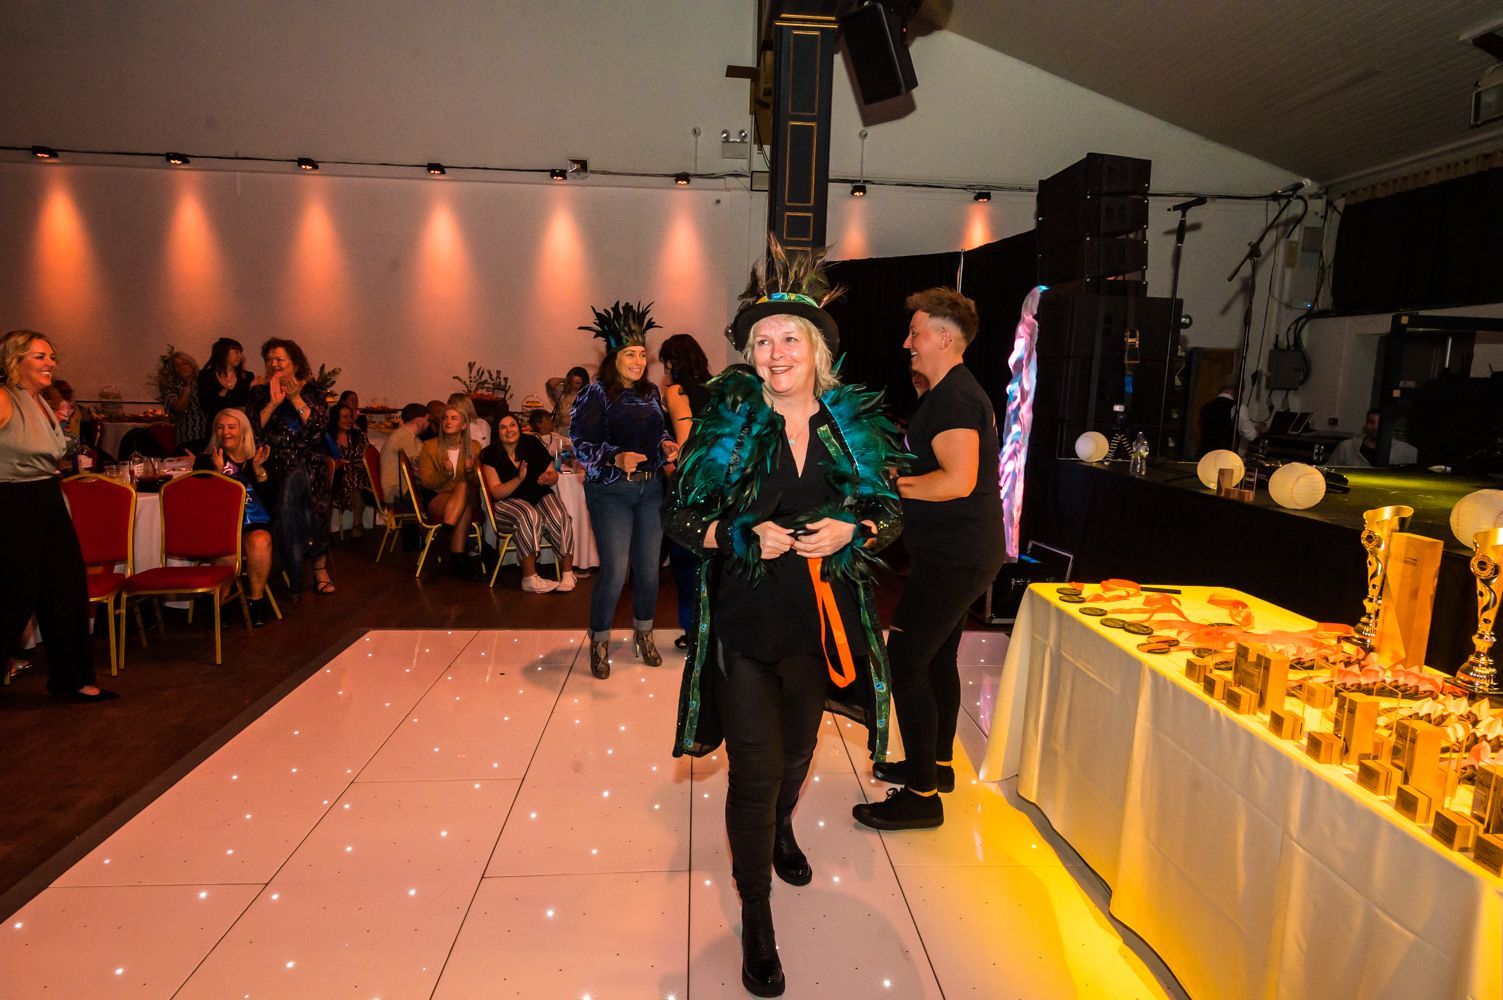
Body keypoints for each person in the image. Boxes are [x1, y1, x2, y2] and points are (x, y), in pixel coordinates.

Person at [665, 243, 902, 998]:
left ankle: (782, 827)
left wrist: (855, 530)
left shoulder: (846, 425)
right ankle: (758, 919)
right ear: (749, 354)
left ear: (817, 349)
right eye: (762, 341)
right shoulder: (729, 425)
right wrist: (736, 532)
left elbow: (888, 512)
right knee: (753, 773)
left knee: (797, 755)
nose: (775, 353)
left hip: (818, 630)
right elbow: (681, 519)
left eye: (789, 338)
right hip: (744, 627)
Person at [852, 287, 1007, 833]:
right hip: (961, 553)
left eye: (915, 333)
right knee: (937, 659)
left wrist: (892, 484)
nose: (907, 343)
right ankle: (936, 768)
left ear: (944, 337)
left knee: (906, 662)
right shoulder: (950, 394)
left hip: (955, 557)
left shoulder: (955, 399)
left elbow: (958, 481)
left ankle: (921, 797)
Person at [0, 330, 117, 702]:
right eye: (40, 356)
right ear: (15, 360)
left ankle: (73, 679)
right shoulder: (4, 398)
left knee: (66, 591)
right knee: (13, 597)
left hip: (48, 498)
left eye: (51, 356)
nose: (50, 363)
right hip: (14, 502)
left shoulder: (40, 401)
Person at [571, 302, 678, 679]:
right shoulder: (596, 394)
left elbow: (659, 431)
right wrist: (614, 457)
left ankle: (643, 635)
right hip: (611, 492)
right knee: (615, 571)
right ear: (614, 357)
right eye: (630, 354)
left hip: (651, 490)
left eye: (642, 354)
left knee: (649, 571)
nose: (638, 361)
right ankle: (599, 641)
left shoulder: (650, 393)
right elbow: (580, 443)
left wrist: (666, 444)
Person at [248, 337, 335, 595]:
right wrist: (273, 404)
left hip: (308, 465)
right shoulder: (259, 392)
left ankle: (319, 571)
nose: (274, 364)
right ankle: (280, 571)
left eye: (279, 359)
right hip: (270, 465)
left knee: (314, 515)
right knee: (278, 512)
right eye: (269, 360)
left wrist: (295, 398)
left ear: (295, 363)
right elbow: (251, 431)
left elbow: (318, 429)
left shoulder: (313, 391)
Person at [195, 408, 276, 626]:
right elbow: (203, 501)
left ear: (243, 431)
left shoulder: (257, 458)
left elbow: (270, 502)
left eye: (231, 427)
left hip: (251, 524)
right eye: (220, 428)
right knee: (229, 549)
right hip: (220, 526)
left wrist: (259, 470)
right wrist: (218, 473)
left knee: (261, 541)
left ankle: (256, 602)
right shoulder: (206, 460)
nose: (226, 432)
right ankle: (222, 602)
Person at [658, 332, 714, 650]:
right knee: (712, 556)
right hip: (720, 482)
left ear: (672, 362)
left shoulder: (677, 391)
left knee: (685, 558)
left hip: (693, 485)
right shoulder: (717, 388)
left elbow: (687, 444)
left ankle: (695, 632)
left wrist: (670, 466)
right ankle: (713, 630)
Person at [480, 413, 577, 593]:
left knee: (559, 514)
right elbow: (496, 492)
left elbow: (553, 476)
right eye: (503, 427)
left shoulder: (532, 444)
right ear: (496, 432)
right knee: (528, 515)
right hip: (507, 502)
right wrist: (518, 479)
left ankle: (568, 573)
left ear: (518, 427)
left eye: (512, 425)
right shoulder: (490, 454)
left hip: (537, 494)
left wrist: (548, 477)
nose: (509, 430)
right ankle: (529, 578)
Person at [417, 403, 482, 577]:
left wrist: (469, 471)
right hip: (438, 498)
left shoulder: (474, 447)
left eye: (454, 418)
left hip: (468, 496)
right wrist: (445, 474)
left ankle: (443, 536)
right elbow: (427, 482)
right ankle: (457, 560)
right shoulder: (429, 446)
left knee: (464, 486)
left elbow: (477, 484)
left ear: (464, 424)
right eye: (445, 418)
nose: (448, 422)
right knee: (463, 508)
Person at [324, 402, 372, 537]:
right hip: (338, 478)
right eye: (345, 417)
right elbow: (325, 461)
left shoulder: (358, 435)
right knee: (353, 482)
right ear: (336, 419)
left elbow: (368, 454)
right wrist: (335, 464)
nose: (349, 420)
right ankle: (357, 525)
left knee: (357, 484)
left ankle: (357, 524)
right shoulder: (328, 438)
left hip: (359, 475)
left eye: (350, 417)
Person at [1327, 408, 1420, 467]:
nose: (1375, 426)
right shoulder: (1347, 448)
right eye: (1371, 422)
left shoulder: (1407, 451)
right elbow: (1330, 470)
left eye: (1380, 423)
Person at [157, 349, 208, 454]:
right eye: (177, 365)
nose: (182, 368)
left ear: (192, 365)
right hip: (187, 436)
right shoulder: (171, 387)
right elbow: (180, 408)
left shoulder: (204, 382)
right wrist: (187, 389)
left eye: (185, 364)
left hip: (208, 435)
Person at [379, 402, 429, 504]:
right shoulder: (405, 438)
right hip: (398, 492)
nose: (429, 424)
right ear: (419, 420)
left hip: (400, 489)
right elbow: (420, 470)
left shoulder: (405, 434)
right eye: (428, 420)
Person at [198, 338, 254, 424]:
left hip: (239, 424)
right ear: (223, 353)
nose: (240, 356)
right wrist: (223, 392)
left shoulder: (247, 377)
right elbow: (206, 406)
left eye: (240, 352)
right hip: (216, 424)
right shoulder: (206, 376)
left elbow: (249, 405)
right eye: (236, 352)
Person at [1199, 381, 1261, 456]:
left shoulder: (1206, 406)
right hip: (1224, 457)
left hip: (1204, 456)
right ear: (1238, 390)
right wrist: (1259, 430)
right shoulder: (1238, 408)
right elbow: (1251, 435)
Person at [546, 365, 590, 437]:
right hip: (560, 433)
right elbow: (551, 382)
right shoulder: (562, 393)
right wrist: (565, 380)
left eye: (577, 383)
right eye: (572, 381)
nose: (573, 385)